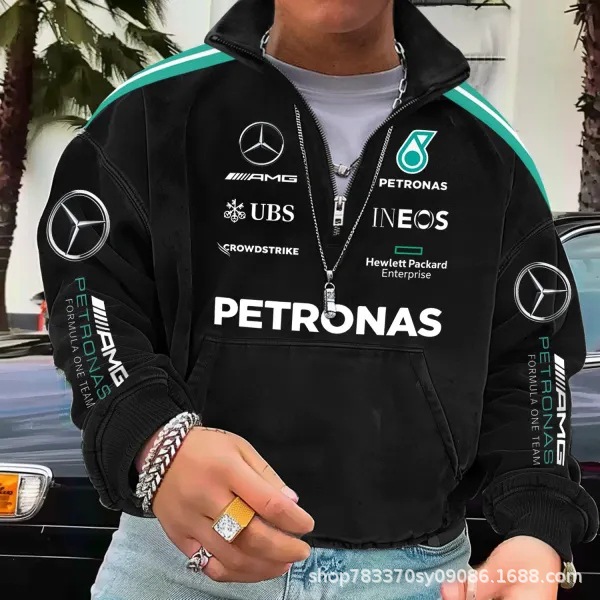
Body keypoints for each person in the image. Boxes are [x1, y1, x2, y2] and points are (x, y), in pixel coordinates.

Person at [37, 0, 599, 598]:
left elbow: (531, 358)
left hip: (408, 578)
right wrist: (158, 444)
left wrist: (537, 535)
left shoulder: (490, 150)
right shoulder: (149, 112)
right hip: (186, 560)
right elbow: (90, 303)